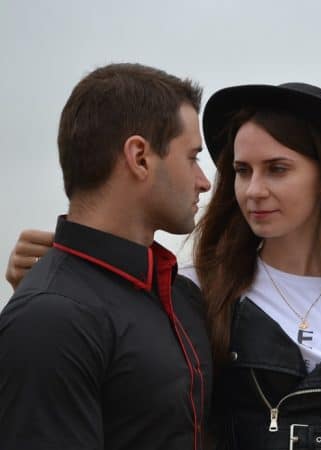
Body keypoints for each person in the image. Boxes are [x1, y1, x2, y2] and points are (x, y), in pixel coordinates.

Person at [6, 82, 321, 449]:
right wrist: (56, 273)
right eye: (241, 170)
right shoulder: (195, 287)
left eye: (276, 169)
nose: (253, 190)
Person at [0, 63, 213, 449]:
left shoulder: (183, 298)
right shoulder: (50, 317)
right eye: (192, 156)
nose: (204, 180)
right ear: (140, 157)